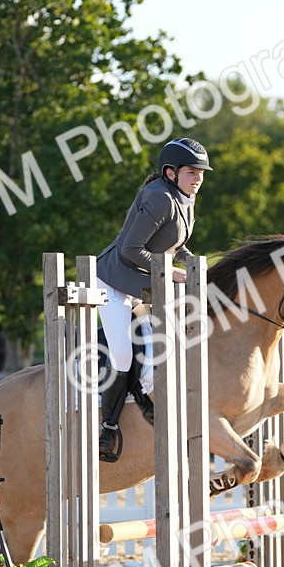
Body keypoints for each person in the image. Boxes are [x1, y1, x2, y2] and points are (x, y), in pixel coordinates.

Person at [94, 137, 211, 462]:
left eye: (201, 173)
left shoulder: (184, 198)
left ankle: (145, 399)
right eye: (192, 172)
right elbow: (130, 249)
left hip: (142, 283)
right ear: (171, 173)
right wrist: (172, 272)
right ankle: (108, 427)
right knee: (122, 355)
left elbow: (175, 244)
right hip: (112, 282)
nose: (198, 178)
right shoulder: (159, 197)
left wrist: (193, 263)